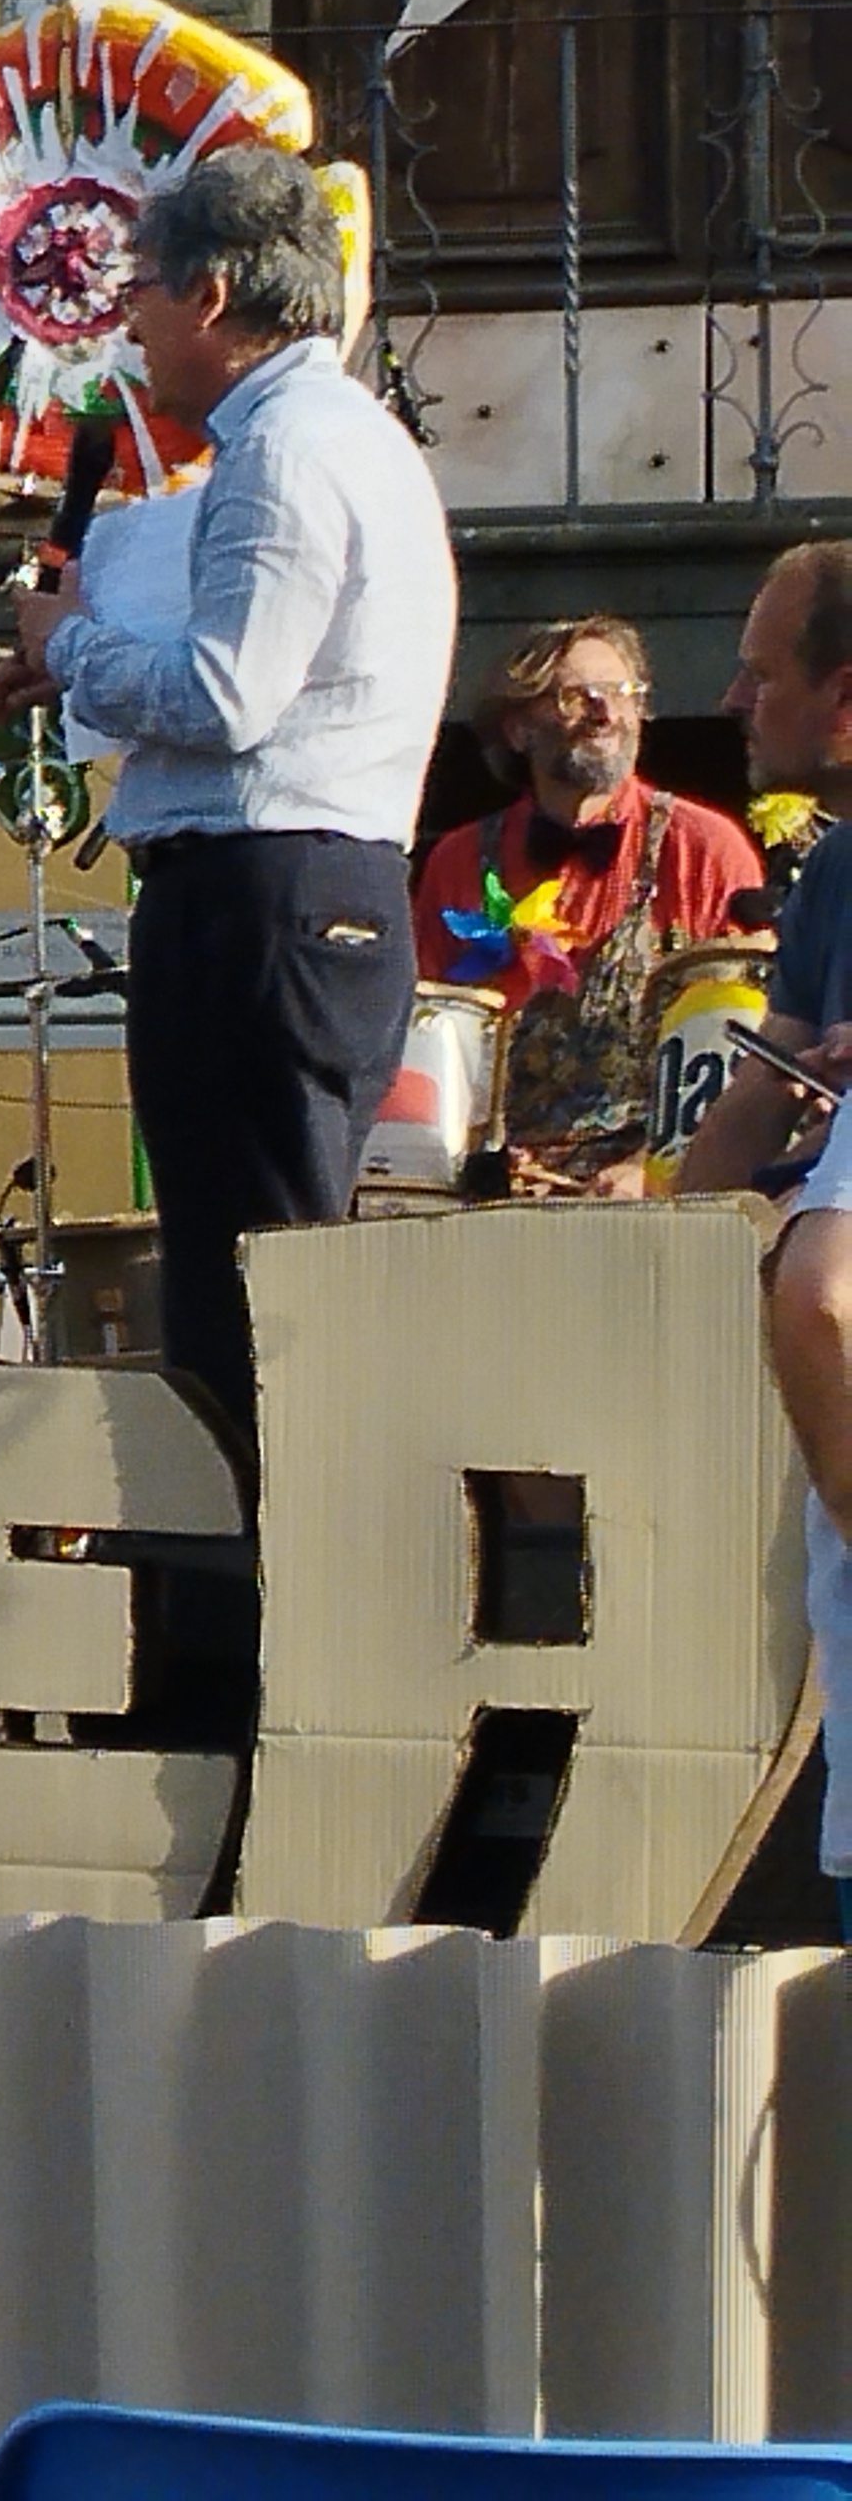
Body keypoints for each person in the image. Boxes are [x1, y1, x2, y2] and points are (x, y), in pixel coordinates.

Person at [0, 145, 454, 1446]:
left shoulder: (285, 450)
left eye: (139, 288)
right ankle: (269, 1555)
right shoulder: (338, 437)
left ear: (208, 293)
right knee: (266, 1282)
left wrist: (71, 644)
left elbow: (227, 694)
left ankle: (256, 1572)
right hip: (304, 892)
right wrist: (76, 657)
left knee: (247, 1303)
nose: (129, 322)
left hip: (262, 900)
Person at [681, 540, 852, 1937]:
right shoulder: (838, 868)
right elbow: (763, 1085)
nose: (734, 699)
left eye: (762, 671)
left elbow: (820, 1292)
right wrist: (664, 1244)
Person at [409, 615, 761, 1192]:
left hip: (656, 1185)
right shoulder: (459, 859)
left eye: (623, 693)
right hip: (497, 1185)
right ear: (519, 728)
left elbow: (740, 1044)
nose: (605, 711)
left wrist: (648, 1170)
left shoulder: (704, 848)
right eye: (577, 696)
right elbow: (429, 1042)